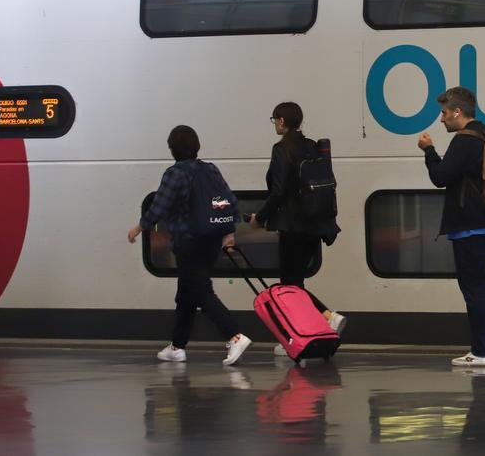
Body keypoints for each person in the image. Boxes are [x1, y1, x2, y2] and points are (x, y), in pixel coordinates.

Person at [417, 86, 485, 368]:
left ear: (457, 111)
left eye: (443, 113)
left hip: (470, 224)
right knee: (475, 279)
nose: (441, 120)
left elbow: (441, 177)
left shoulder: (464, 141)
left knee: (472, 284)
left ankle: (483, 350)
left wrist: (429, 151)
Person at [127, 125, 252, 365]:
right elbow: (230, 200)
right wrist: (229, 231)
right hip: (212, 238)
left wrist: (139, 227)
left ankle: (234, 336)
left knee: (202, 291)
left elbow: (159, 206)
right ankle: (177, 346)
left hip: (189, 240)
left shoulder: (175, 174)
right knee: (187, 293)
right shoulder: (210, 169)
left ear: (172, 149)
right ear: (196, 147)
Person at [250, 101, 346, 357]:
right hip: (315, 224)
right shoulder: (312, 146)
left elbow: (279, 191)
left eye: (274, 120)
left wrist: (260, 217)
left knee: (289, 287)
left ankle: (325, 317)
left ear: (281, 121)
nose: (275, 125)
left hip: (292, 226)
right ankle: (305, 334)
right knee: (296, 283)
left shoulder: (282, 149)